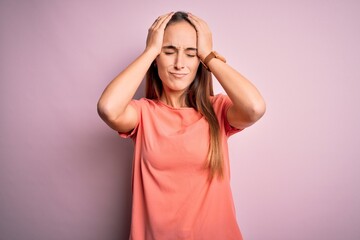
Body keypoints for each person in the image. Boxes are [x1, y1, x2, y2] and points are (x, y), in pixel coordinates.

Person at [97, 11, 266, 240]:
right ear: (157, 58)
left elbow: (254, 107)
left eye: (190, 53)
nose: (179, 64)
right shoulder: (143, 114)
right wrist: (149, 51)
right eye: (168, 51)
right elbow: (108, 108)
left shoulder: (218, 110)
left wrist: (208, 56)